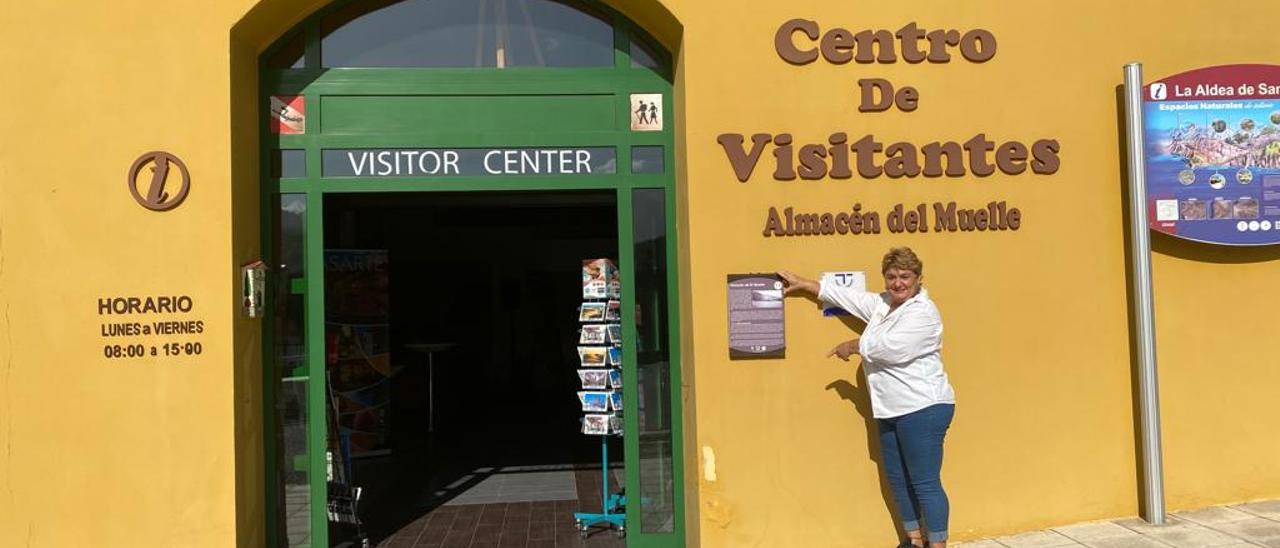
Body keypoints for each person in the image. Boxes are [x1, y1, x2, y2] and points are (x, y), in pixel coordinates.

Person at [778, 247, 956, 548]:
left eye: (905, 276)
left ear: (918, 278)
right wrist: (808, 284)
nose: (897, 283)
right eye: (891, 277)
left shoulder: (924, 312)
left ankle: (937, 544)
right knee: (897, 478)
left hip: (923, 407)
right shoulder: (884, 304)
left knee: (925, 483)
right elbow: (852, 299)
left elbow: (894, 348)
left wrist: (854, 344)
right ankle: (913, 540)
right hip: (889, 407)